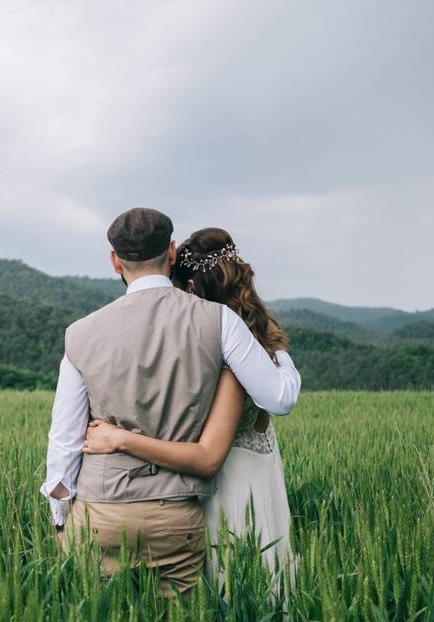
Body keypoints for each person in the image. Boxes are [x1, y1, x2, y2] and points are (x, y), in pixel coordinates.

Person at [40, 208, 301, 597]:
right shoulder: (219, 321)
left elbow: (64, 439)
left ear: (114, 261)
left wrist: (60, 521)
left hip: (99, 509)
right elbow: (278, 398)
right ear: (172, 251)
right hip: (175, 512)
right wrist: (276, 348)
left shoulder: (79, 334)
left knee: (105, 618)